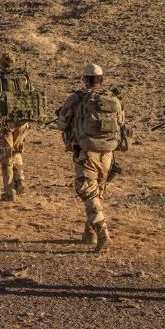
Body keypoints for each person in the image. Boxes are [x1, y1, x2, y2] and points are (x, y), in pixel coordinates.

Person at [54, 63, 127, 251]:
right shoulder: (114, 99)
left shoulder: (77, 98)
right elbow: (121, 124)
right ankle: (89, 233)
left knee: (87, 191)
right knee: (98, 191)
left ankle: (103, 233)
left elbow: (61, 124)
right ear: (101, 80)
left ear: (85, 80)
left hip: (86, 152)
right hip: (108, 153)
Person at [0, 53, 32, 201]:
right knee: (17, 151)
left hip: (3, 124)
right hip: (22, 123)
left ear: (1, 64)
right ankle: (20, 180)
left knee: (5, 156)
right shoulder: (24, 78)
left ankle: (9, 191)